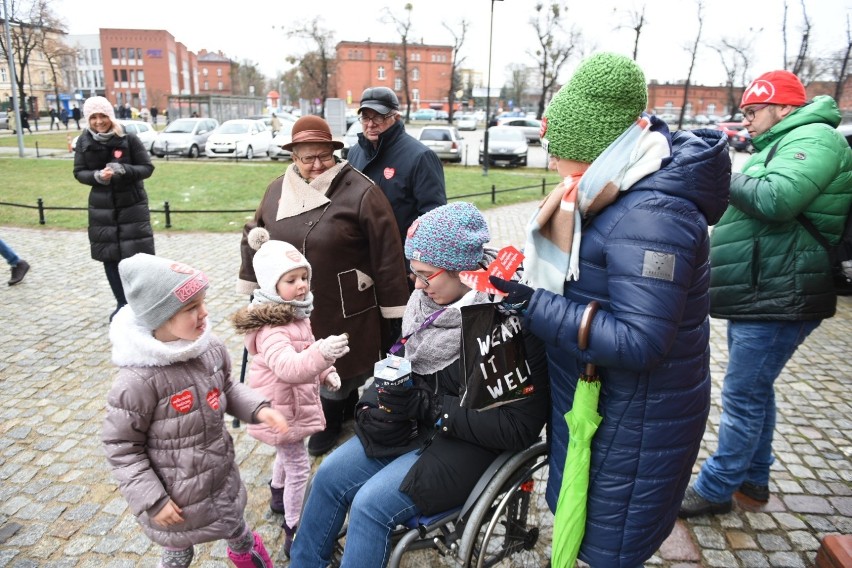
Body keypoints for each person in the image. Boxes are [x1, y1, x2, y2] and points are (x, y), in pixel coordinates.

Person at [489, 52, 731, 567]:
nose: (550, 158)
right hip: (598, 401)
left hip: (636, 419)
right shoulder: (607, 193)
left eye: (556, 147)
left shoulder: (653, 216)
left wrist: (534, 305)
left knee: (608, 544)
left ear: (592, 146)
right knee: (583, 522)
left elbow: (640, 340)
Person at [289, 202, 551, 567]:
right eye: (413, 273)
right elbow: (401, 363)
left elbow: (518, 428)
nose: (416, 285)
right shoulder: (425, 304)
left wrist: (432, 408)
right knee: (329, 475)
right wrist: (372, 401)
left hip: (472, 443)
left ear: (463, 271)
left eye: (426, 275)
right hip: (419, 426)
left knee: (370, 506)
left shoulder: (506, 322)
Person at [679, 71, 852, 518]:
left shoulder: (816, 138)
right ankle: (754, 479)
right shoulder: (779, 143)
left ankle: (717, 488)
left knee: (742, 394)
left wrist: (716, 175)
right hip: (763, 288)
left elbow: (777, 199)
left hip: (781, 291)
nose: (748, 121)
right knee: (756, 390)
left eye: (754, 111)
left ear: (784, 108)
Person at [237, 115, 410, 457]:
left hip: (342, 296)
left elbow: (388, 251)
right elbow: (253, 235)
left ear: (335, 152)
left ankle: (331, 416)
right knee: (296, 355)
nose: (317, 165)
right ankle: (335, 408)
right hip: (287, 298)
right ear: (293, 156)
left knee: (339, 361)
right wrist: (251, 285)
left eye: (324, 156)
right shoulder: (276, 189)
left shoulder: (361, 190)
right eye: (307, 157)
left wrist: (396, 311)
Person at [102, 253, 289, 568]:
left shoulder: (209, 348)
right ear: (160, 318)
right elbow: (121, 447)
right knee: (178, 552)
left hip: (219, 477)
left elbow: (227, 388)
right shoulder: (137, 381)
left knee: (239, 534)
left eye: (203, 302)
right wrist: (153, 500)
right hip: (175, 500)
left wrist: (258, 408)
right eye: (191, 308)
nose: (205, 312)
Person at [232, 233, 349, 556]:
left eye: (304, 277)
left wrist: (327, 371)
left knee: (287, 453)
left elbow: (306, 349)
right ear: (272, 285)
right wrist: (323, 355)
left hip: (290, 404)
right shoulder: (273, 329)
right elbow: (289, 367)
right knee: (298, 465)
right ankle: (295, 528)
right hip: (280, 407)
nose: (301, 285)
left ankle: (277, 493)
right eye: (291, 280)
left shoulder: (296, 313)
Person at [73, 96, 156, 321]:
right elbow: (79, 172)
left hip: (132, 206)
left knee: (137, 258)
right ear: (87, 120)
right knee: (110, 257)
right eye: (93, 117)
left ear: (111, 116)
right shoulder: (84, 142)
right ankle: (122, 304)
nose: (99, 121)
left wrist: (123, 170)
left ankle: (142, 303)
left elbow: (147, 168)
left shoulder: (128, 139)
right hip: (102, 208)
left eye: (103, 116)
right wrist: (97, 176)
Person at [346, 86, 447, 261]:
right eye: (365, 117)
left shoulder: (420, 157)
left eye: (378, 116)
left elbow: (433, 219)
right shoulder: (355, 152)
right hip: (362, 257)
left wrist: (416, 265)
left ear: (396, 117)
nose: (370, 124)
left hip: (401, 260)